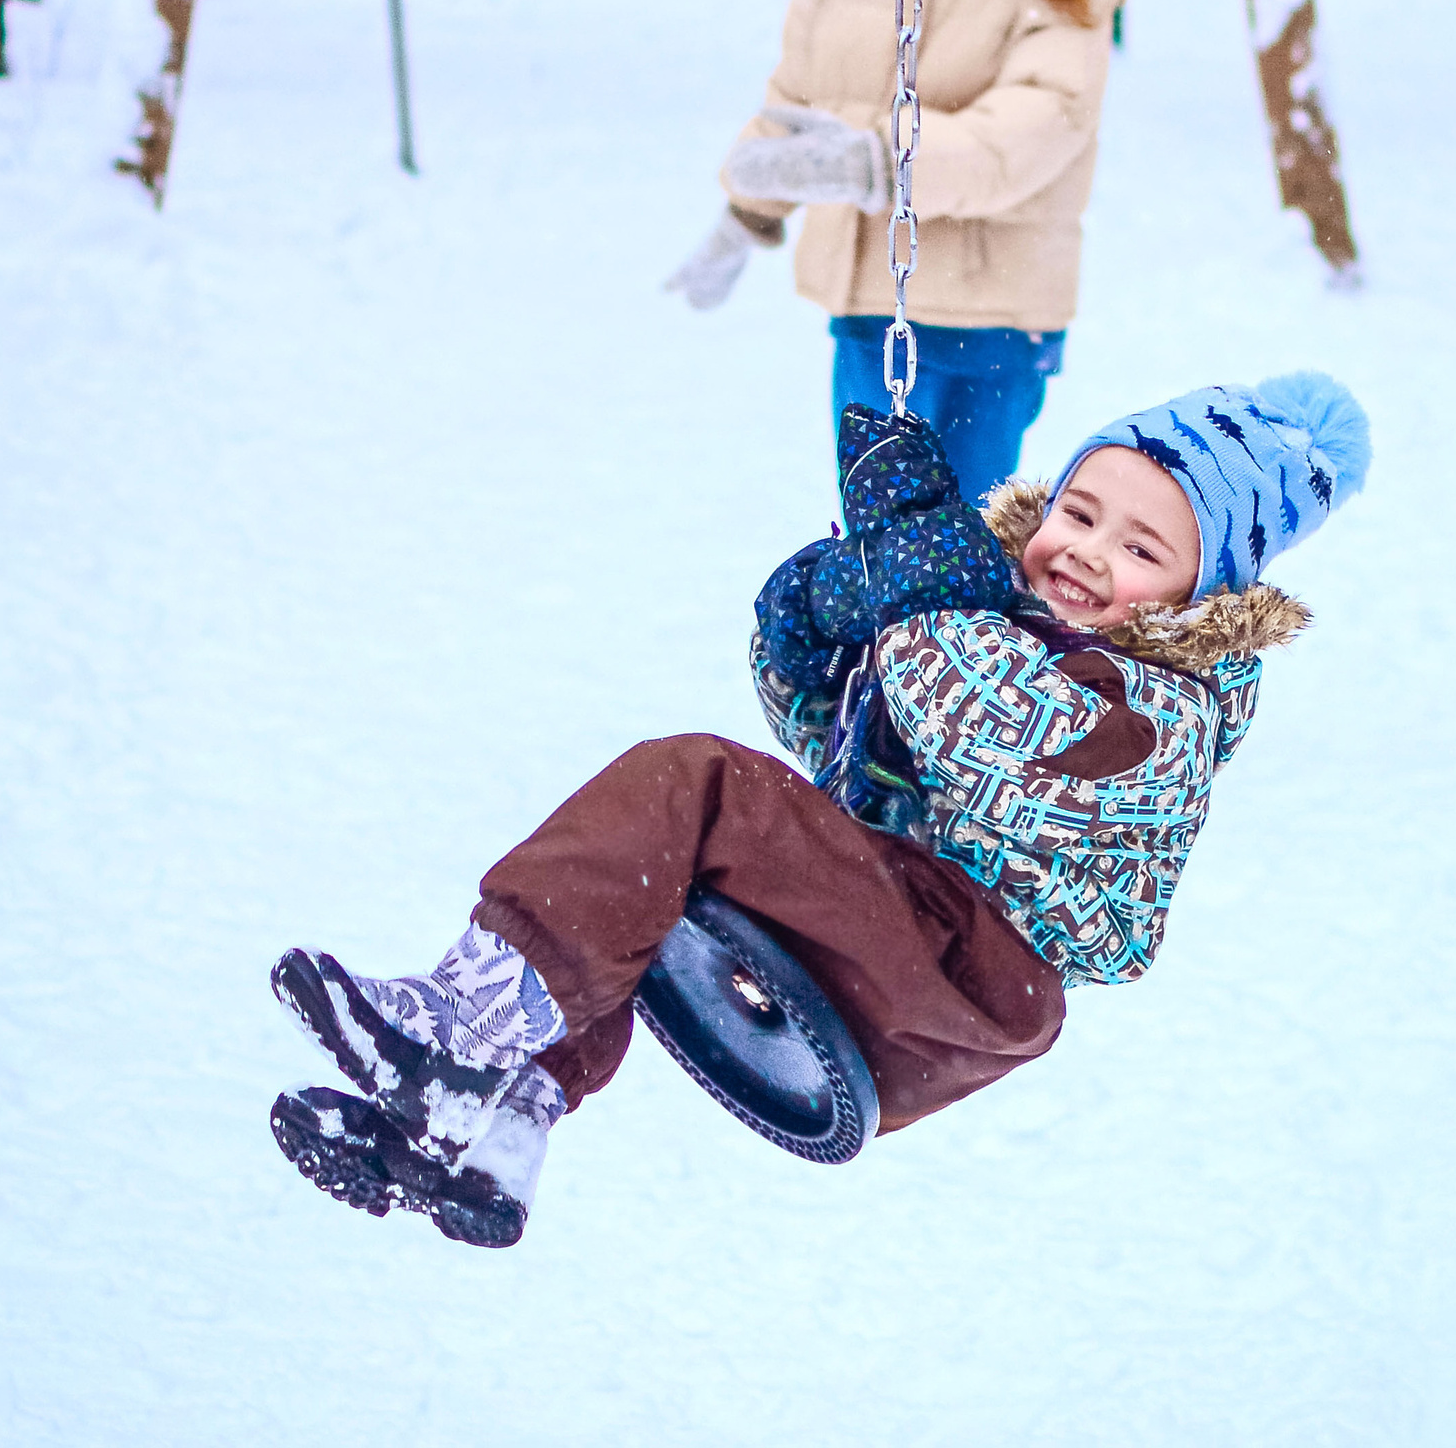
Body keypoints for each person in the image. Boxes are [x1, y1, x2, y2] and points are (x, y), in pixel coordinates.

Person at [267, 370, 1370, 1248]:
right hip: (895, 929)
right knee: (654, 877)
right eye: (1078, 509)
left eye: (1141, 548)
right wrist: (819, 614)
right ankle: (497, 1117)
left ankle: (461, 1024)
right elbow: (848, 733)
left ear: (1202, 595)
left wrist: (925, 577)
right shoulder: (995, 611)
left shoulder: (1158, 709)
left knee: (690, 781)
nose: (1085, 549)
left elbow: (983, 718)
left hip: (968, 972)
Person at [666, 0, 1127, 507]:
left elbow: (1040, 121)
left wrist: (885, 160)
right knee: (875, 551)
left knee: (965, 553)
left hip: (991, 314)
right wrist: (744, 213)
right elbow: (798, 101)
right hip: (871, 303)